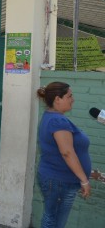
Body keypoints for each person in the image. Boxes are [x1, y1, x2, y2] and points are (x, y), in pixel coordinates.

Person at [37, 82, 91, 228]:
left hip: (57, 179)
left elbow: (58, 153)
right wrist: (84, 180)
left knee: (52, 218)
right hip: (59, 181)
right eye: (69, 96)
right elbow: (67, 153)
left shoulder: (53, 117)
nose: (72, 99)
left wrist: (89, 173)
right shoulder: (57, 120)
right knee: (54, 221)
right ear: (57, 99)